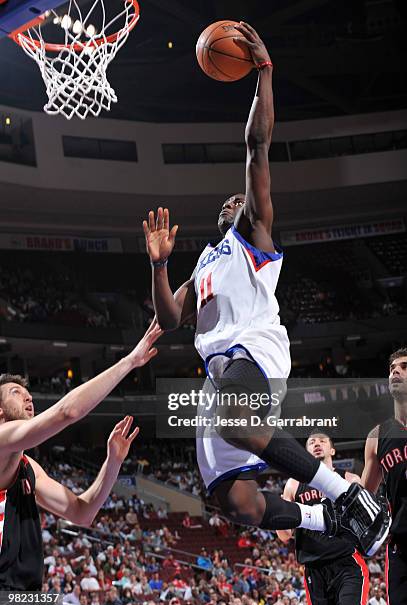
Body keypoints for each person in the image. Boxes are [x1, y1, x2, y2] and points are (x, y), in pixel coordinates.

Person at [143, 22, 389, 557]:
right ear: (219, 216)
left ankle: (346, 495)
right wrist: (160, 268)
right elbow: (167, 318)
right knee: (236, 503)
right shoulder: (205, 263)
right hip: (220, 370)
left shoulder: (252, 235)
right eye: (230, 200)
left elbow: (256, 144)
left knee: (236, 424)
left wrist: (265, 75)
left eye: (244, 198)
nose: (239, 199)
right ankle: (326, 518)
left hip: (253, 348)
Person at [0, 322, 160, 596]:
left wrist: (113, 462)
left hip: (24, 597)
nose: (28, 398)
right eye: (16, 393)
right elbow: (68, 412)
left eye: (29, 395)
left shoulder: (29, 469)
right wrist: (129, 362)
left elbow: (82, 513)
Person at [277, 431, 369, 605]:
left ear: (332, 450)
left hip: (347, 563)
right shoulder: (293, 485)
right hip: (314, 568)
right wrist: (280, 513)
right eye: (311, 442)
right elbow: (285, 536)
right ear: (305, 453)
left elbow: (365, 523)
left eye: (322, 441)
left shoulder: (350, 480)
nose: (317, 444)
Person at [362, 347, 407, 605]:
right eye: (392, 368)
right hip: (400, 545)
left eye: (403, 366)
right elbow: (363, 498)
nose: (396, 372)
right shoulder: (377, 436)